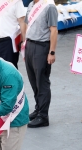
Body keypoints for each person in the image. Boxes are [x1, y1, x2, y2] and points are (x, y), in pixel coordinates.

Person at [24, 0, 58, 128]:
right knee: (33, 81)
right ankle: (38, 109)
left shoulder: (49, 6)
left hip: (42, 46)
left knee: (42, 81)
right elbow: (28, 25)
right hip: (30, 45)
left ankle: (43, 116)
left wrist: (52, 52)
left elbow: (53, 30)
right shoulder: (31, 4)